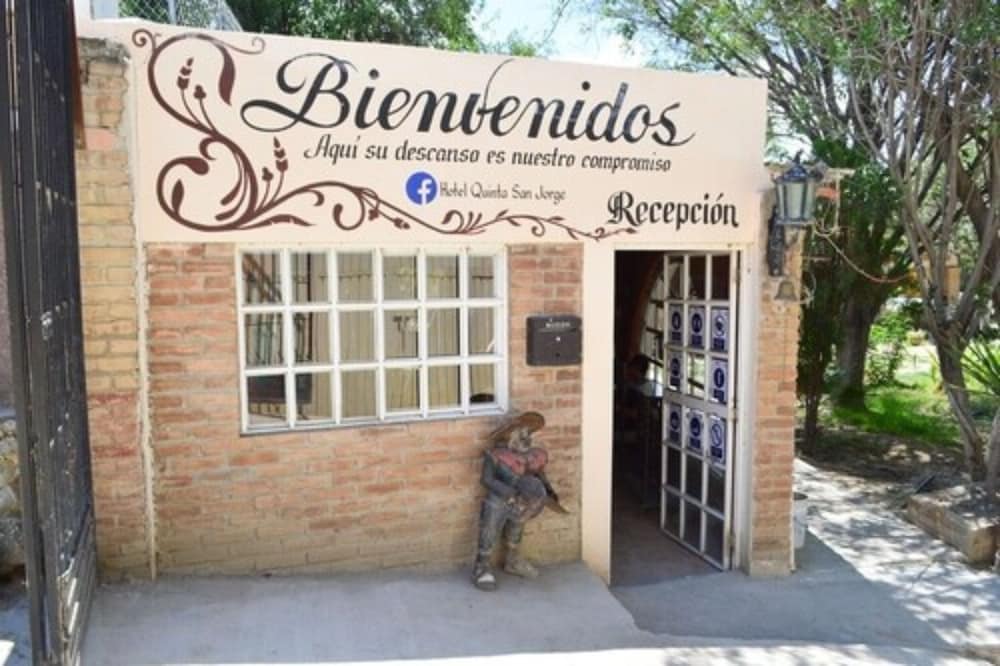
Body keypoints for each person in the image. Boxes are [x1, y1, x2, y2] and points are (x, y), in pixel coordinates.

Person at [472, 411, 563, 591]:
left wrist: (548, 491)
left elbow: (539, 475)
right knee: (490, 528)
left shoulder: (534, 455)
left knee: (517, 525)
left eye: (528, 433)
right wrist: (509, 493)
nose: (526, 437)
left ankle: (512, 559)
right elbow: (487, 479)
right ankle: (482, 566)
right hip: (499, 498)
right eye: (521, 434)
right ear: (509, 435)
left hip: (523, 499)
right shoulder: (495, 455)